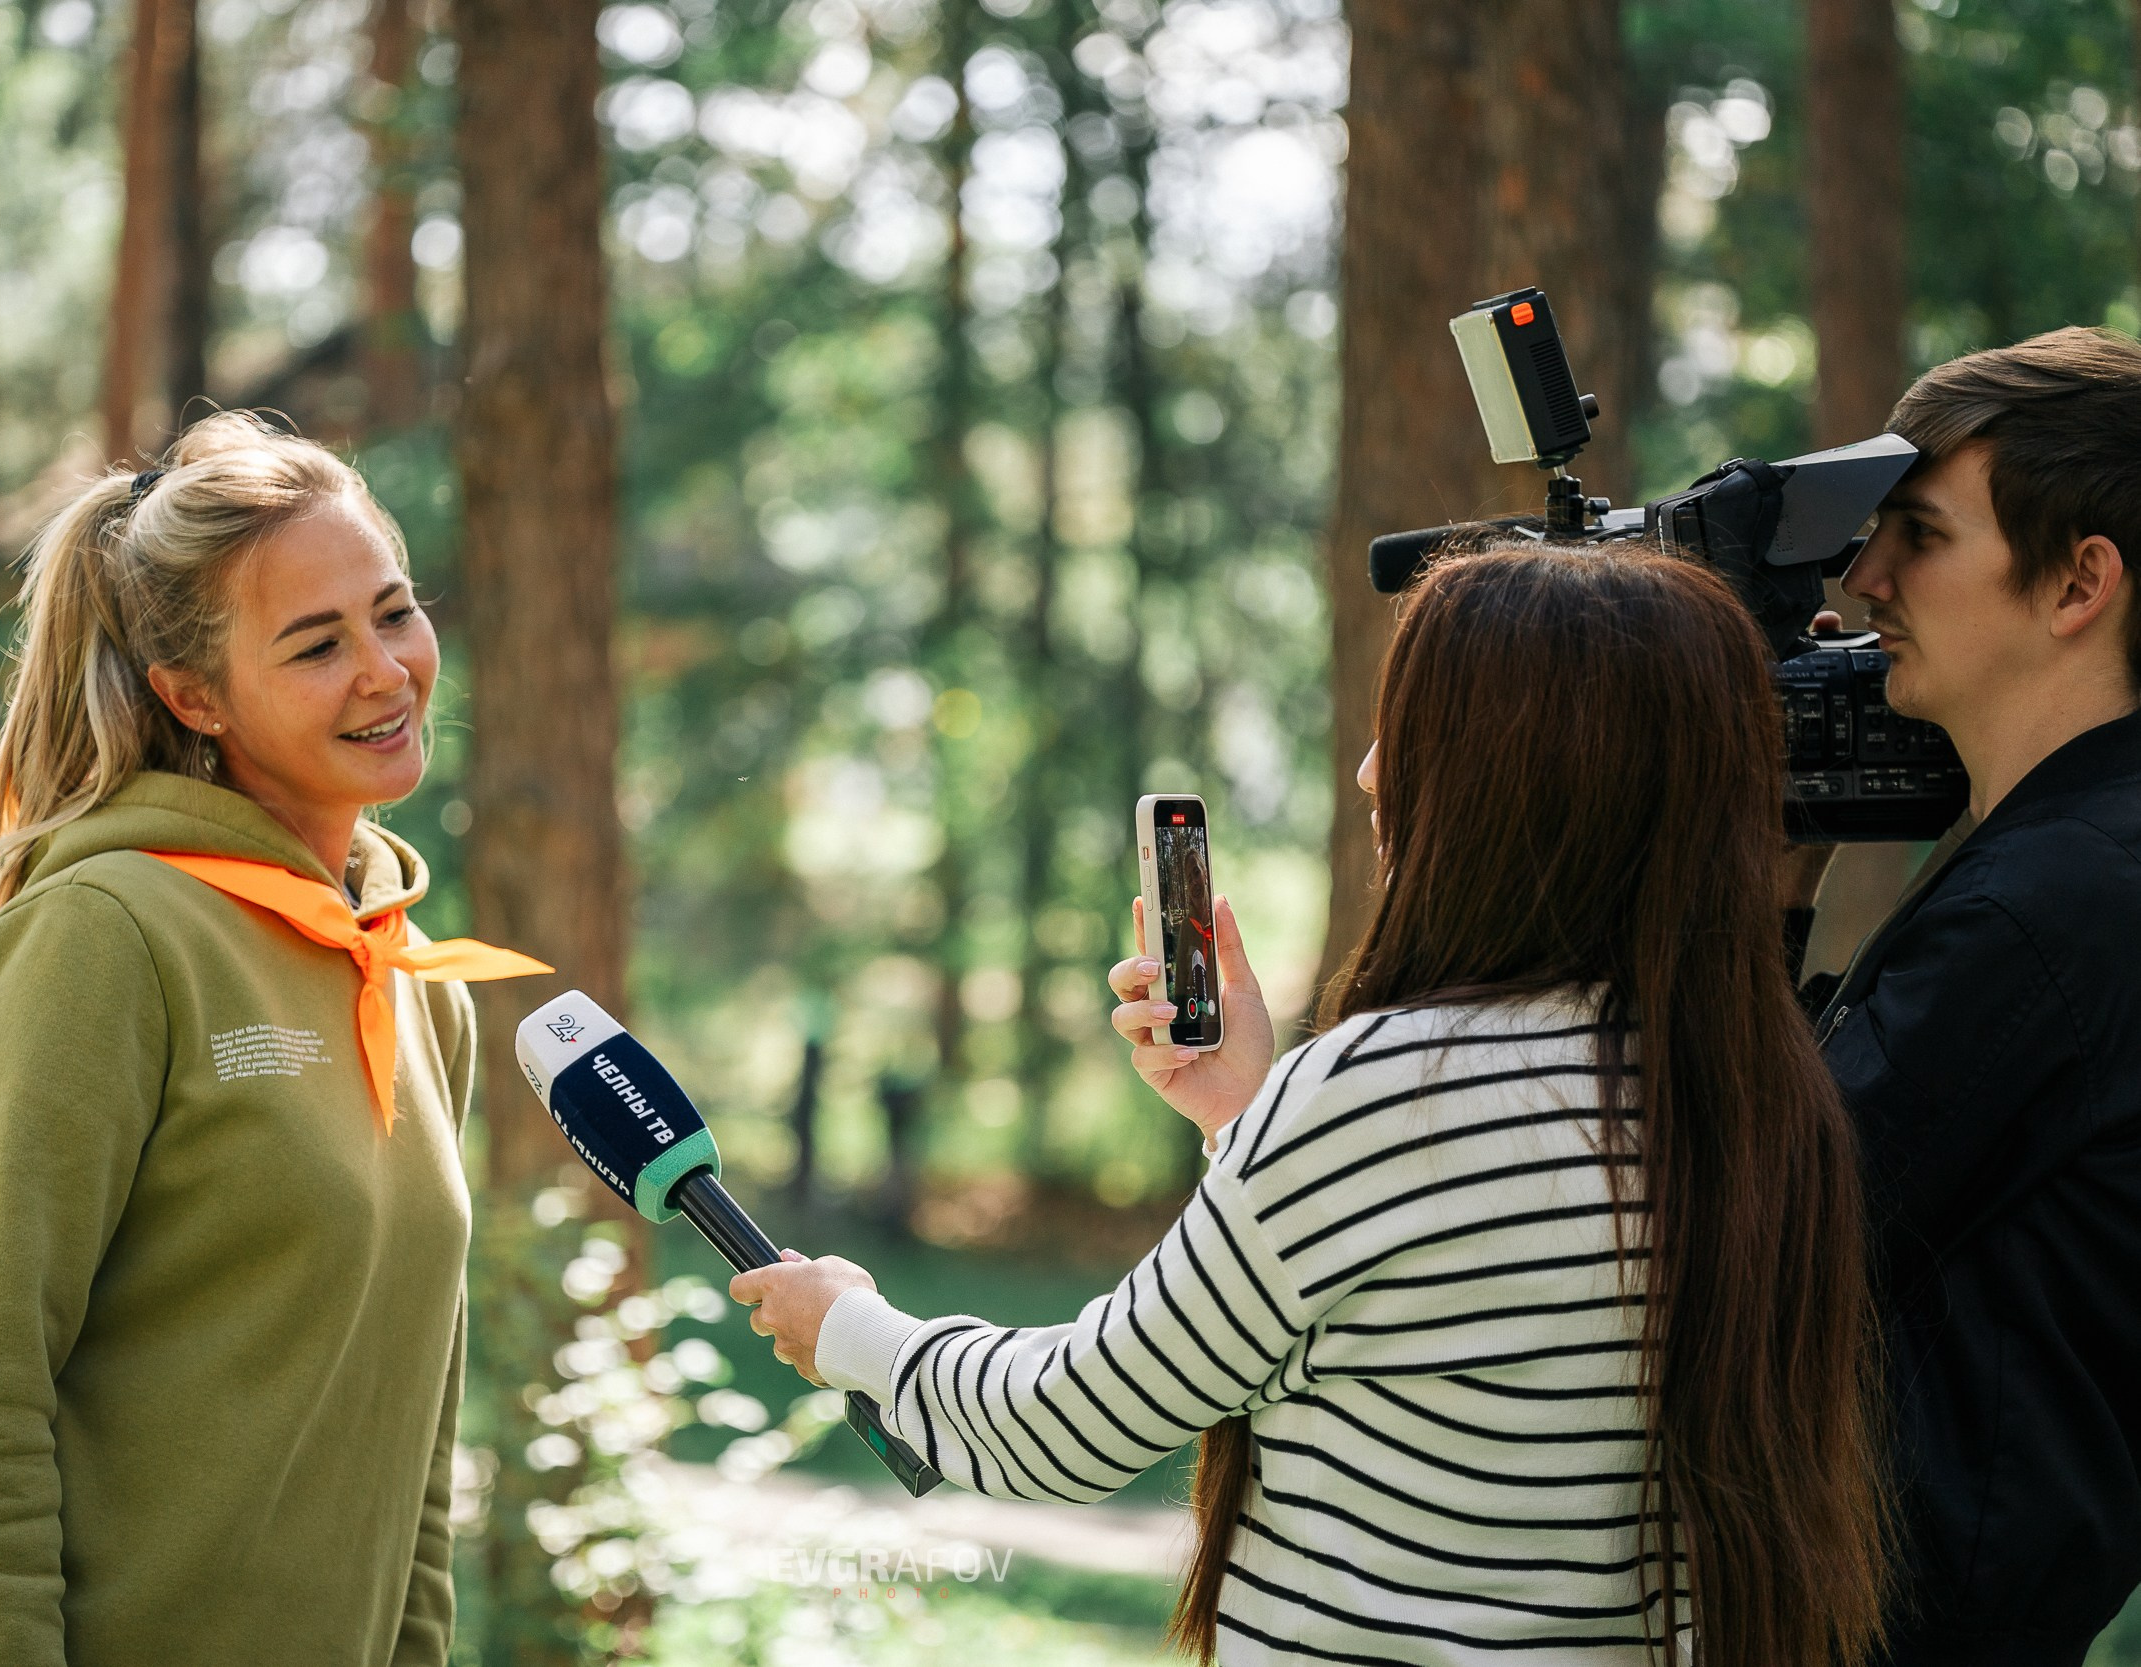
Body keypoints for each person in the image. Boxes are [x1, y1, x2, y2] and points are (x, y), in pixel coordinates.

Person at [736, 548, 1886, 1666]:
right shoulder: (1751, 1087)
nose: (1372, 772)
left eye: (1420, 727)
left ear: (1514, 781)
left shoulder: (1397, 1087)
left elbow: (1073, 1417)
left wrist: (848, 1328)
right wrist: (1246, 1114)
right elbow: (1433, 1323)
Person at [0, 412, 535, 1667]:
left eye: (392, 610)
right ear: (191, 693)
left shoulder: (410, 980)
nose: (384, 670)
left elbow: (409, 1448)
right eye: (316, 643)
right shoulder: (102, 935)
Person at [1781, 327, 2141, 1666]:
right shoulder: (2059, 853)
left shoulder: (2053, 904)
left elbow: (1764, 1231)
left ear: (2076, 582)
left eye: (1920, 536)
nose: (1865, 578)